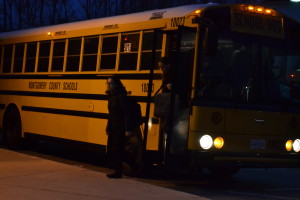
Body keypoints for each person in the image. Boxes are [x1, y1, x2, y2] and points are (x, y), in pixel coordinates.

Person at [105, 76, 139, 178]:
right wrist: (108, 127)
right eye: (108, 83)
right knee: (115, 149)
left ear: (117, 84)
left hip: (121, 126)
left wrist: (127, 129)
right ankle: (132, 166)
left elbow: (126, 113)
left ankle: (118, 171)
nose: (109, 85)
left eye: (111, 83)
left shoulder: (121, 95)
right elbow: (111, 114)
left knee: (117, 149)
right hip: (114, 126)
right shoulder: (111, 96)